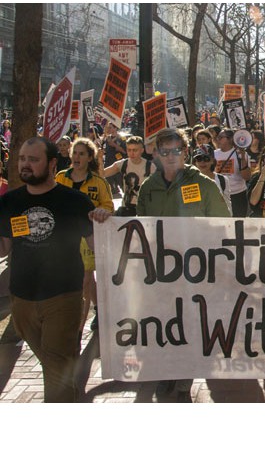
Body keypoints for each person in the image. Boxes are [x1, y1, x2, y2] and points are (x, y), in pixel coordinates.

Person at [131, 128, 231, 402]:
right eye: (165, 152)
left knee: (191, 323)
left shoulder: (204, 185)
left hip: (195, 271)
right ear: (157, 154)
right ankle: (167, 371)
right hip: (161, 271)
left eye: (176, 151)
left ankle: (184, 378)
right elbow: (141, 227)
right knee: (165, 323)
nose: (171, 156)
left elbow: (224, 225)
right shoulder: (149, 187)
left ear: (185, 153)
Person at [0, 137, 98, 402]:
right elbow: (3, 248)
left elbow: (99, 246)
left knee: (56, 366)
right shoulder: (10, 202)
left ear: (52, 164)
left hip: (62, 297)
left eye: (33, 159)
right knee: (54, 363)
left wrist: (104, 221)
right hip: (21, 299)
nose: (25, 165)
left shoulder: (74, 202)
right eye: (22, 159)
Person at [55, 138, 114, 334]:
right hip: (64, 238)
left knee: (85, 280)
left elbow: (108, 206)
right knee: (86, 281)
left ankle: (77, 329)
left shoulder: (98, 182)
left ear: (90, 157)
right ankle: (99, 309)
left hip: (88, 237)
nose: (77, 157)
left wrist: (100, 212)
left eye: (82, 154)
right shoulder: (61, 178)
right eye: (75, 153)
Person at [100, 135, 156, 216]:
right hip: (126, 208)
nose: (132, 153)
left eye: (135, 150)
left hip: (144, 209)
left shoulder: (150, 166)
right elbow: (102, 174)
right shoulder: (123, 164)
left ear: (142, 150)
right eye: (129, 150)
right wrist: (99, 159)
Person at [214, 128, 251, 217]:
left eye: (221, 137)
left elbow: (246, 177)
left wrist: (242, 158)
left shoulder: (241, 154)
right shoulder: (214, 154)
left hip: (238, 195)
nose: (217, 139)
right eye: (217, 137)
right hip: (220, 195)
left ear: (231, 139)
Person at [192, 143, 232, 215]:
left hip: (218, 220)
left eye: (206, 159)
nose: (202, 162)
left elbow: (227, 204)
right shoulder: (189, 181)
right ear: (194, 162)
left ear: (213, 161)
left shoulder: (223, 180)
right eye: (199, 159)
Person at [101, 122, 127, 196]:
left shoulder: (122, 138)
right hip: (108, 162)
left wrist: (114, 145)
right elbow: (105, 149)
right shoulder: (107, 138)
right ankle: (113, 190)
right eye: (108, 127)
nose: (109, 129)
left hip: (117, 163)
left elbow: (124, 151)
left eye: (110, 127)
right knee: (108, 179)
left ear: (115, 128)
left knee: (120, 181)